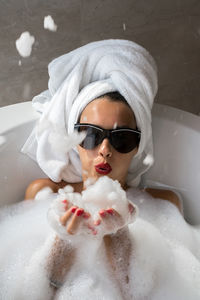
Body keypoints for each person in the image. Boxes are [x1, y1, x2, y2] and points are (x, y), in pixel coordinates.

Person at [23, 40, 182, 294]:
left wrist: (118, 235)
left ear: (138, 146)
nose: (105, 150)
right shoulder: (44, 194)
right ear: (74, 140)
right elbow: (38, 293)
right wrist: (65, 241)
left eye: (122, 138)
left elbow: (151, 292)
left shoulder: (166, 204)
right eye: (91, 136)